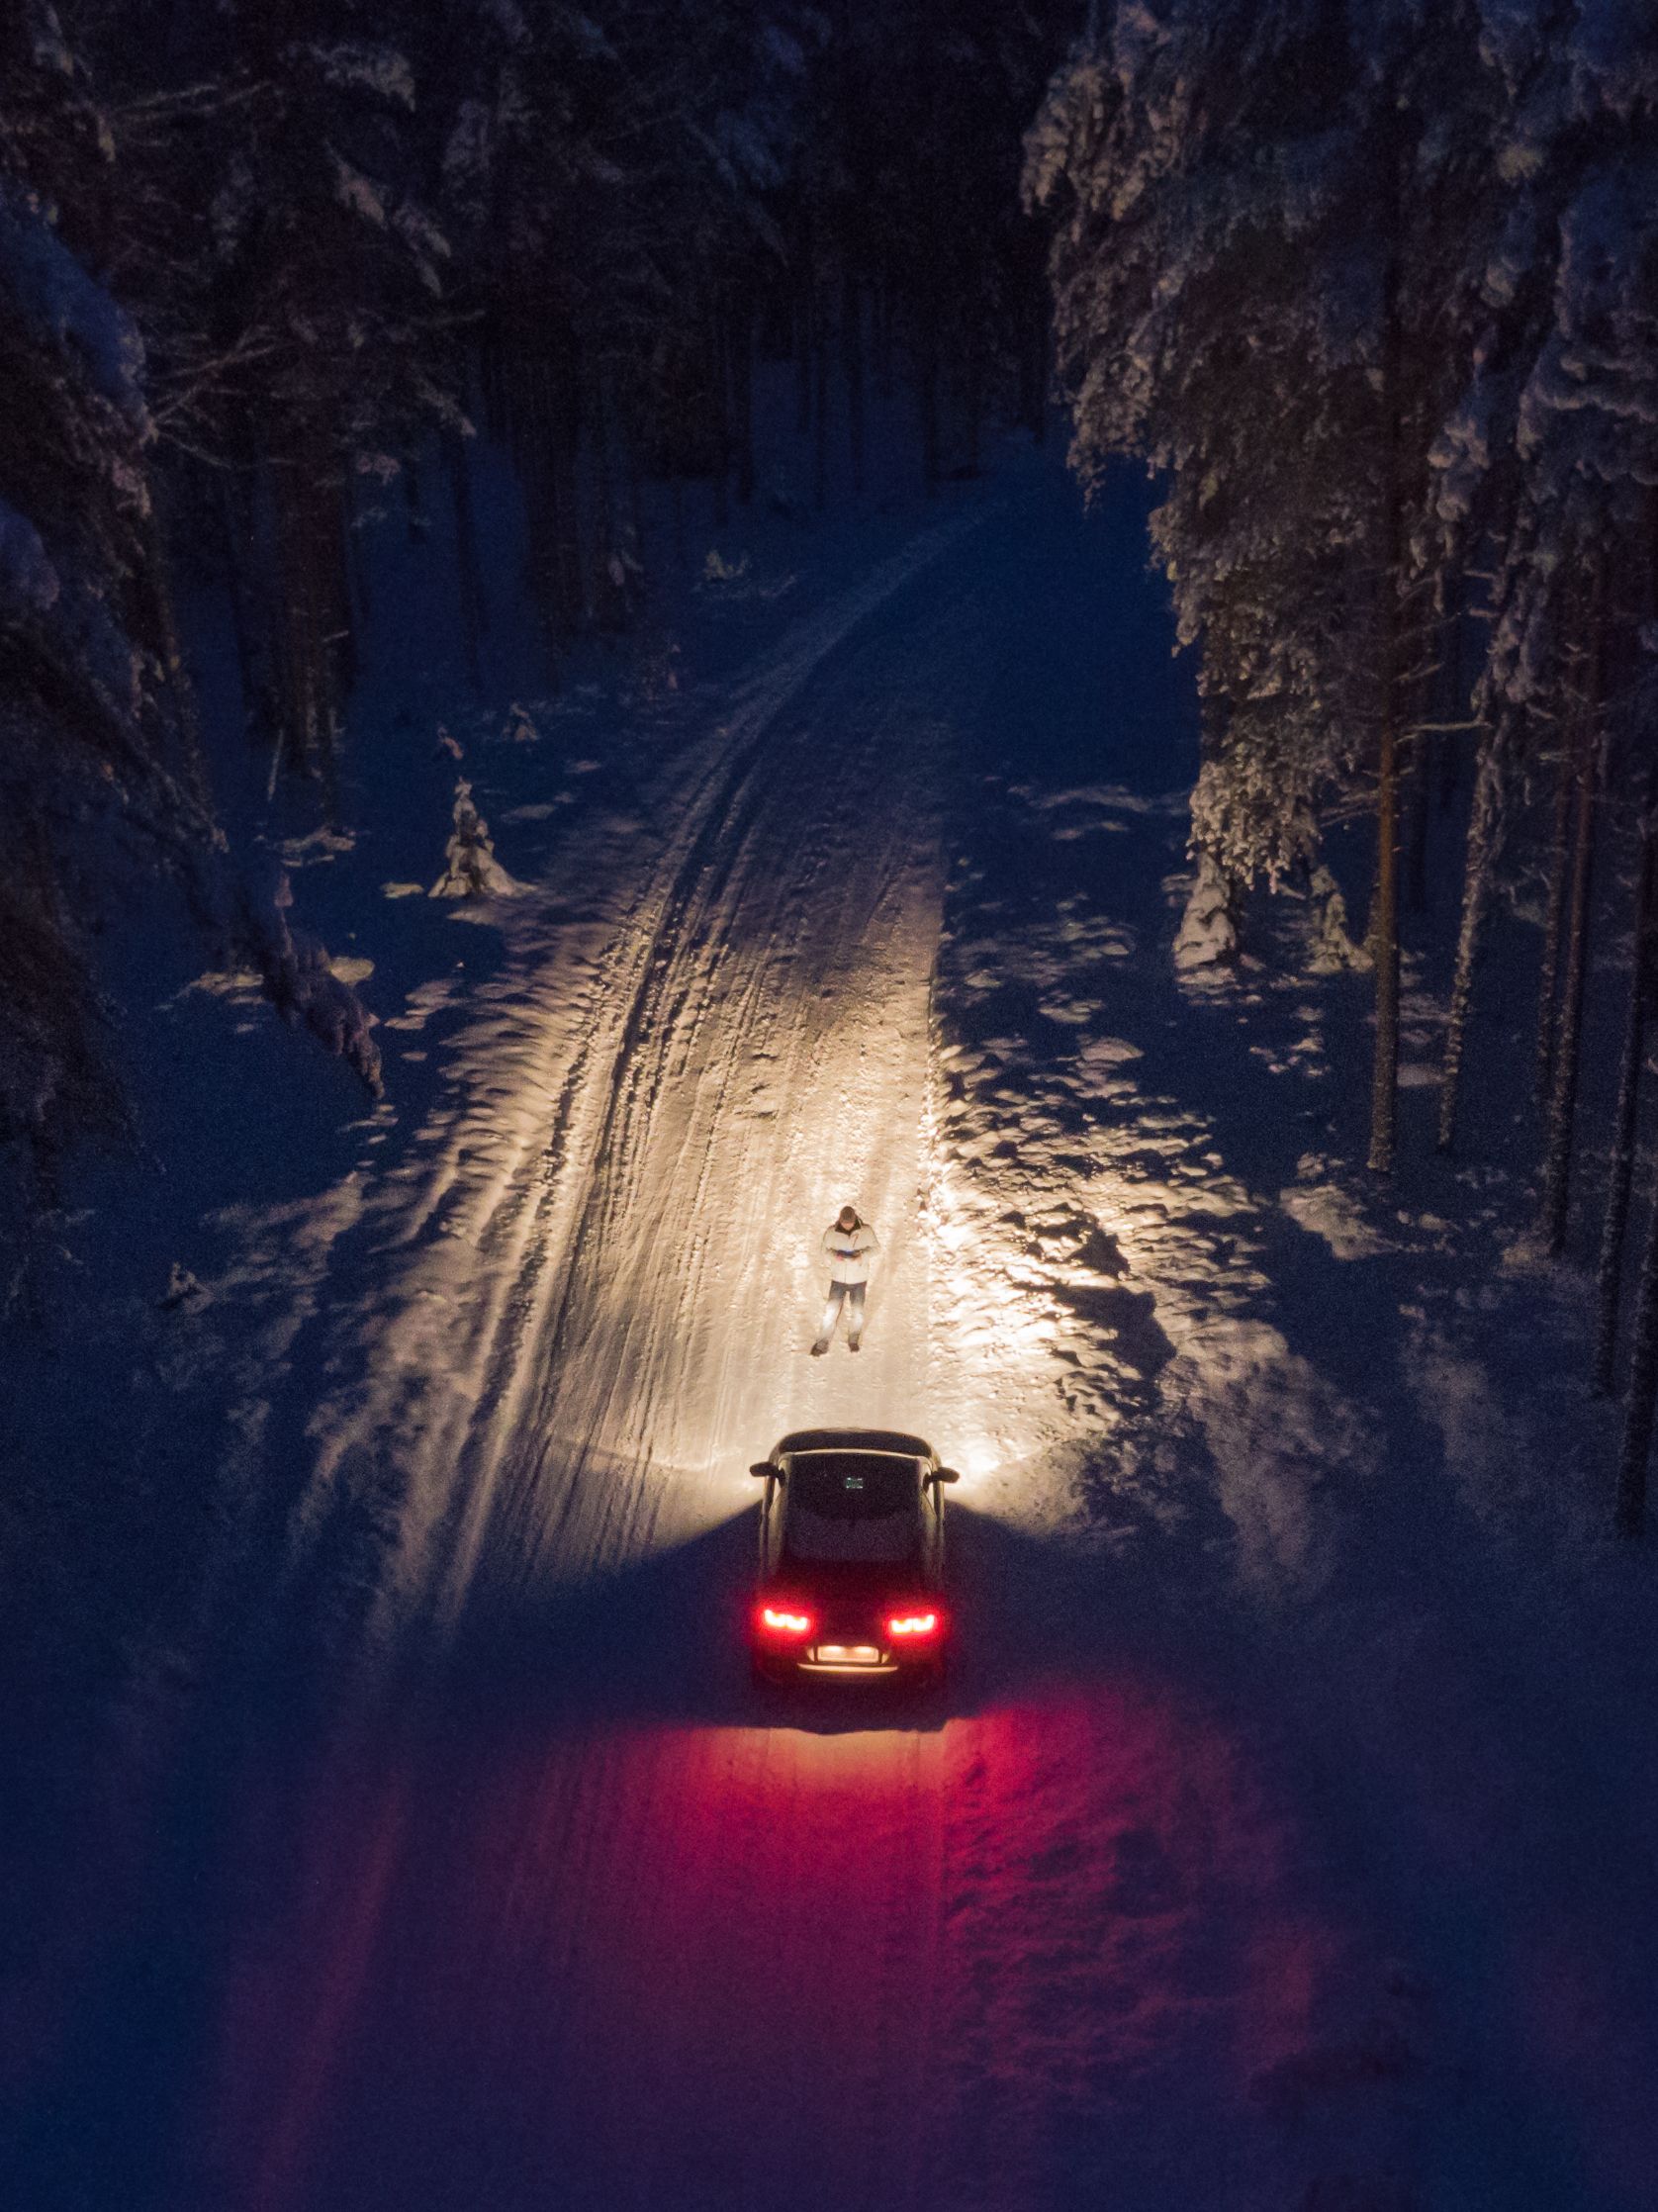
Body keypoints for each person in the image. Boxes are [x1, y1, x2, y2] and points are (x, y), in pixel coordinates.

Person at [812, 1205, 879, 1354]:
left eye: (850, 1223)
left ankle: (853, 1339)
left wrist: (862, 1256)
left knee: (858, 1312)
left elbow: (876, 1249)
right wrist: (835, 1256)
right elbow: (824, 1250)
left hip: (859, 1280)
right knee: (830, 1312)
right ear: (840, 1220)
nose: (847, 1225)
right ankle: (822, 1343)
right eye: (845, 1223)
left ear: (855, 1219)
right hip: (838, 1280)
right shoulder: (831, 1232)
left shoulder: (866, 1231)